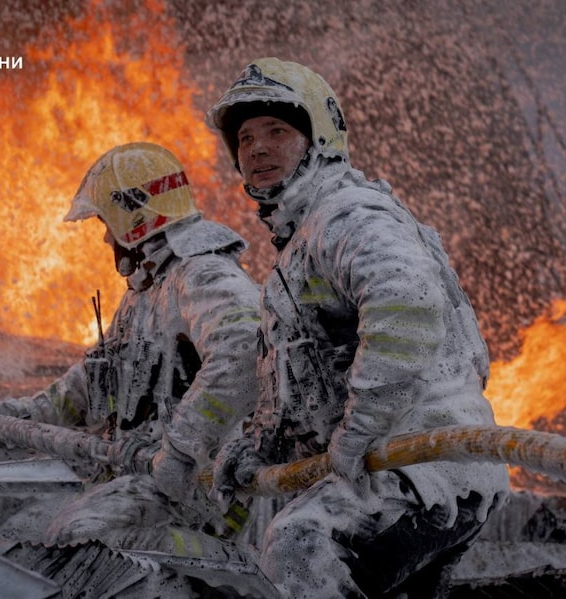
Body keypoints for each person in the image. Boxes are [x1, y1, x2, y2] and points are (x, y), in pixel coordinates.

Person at [206, 58, 511, 598]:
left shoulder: (347, 215)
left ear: (320, 138)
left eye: (277, 131)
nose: (256, 149)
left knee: (301, 545)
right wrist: (255, 448)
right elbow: (304, 381)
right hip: (405, 469)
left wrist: (361, 430)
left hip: (422, 467)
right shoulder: (302, 241)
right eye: (246, 137)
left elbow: (407, 309)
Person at [0, 142, 261, 555]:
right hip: (143, 473)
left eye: (106, 223)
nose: (104, 237)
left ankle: (240, 568)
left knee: (85, 535)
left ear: (131, 217)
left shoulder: (202, 275)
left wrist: (181, 450)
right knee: (29, 529)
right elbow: (91, 381)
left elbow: (243, 353)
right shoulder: (148, 289)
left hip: (203, 493)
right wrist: (15, 415)